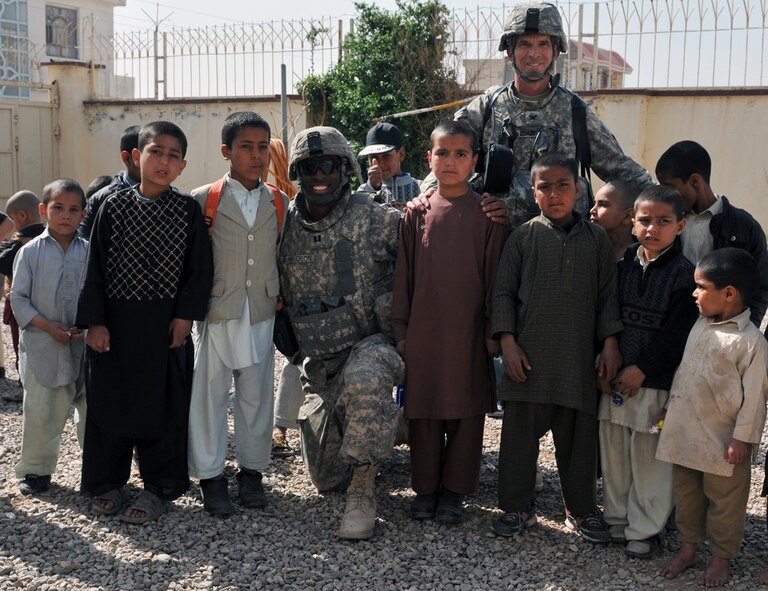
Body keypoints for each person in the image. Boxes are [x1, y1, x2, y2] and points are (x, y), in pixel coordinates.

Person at [76, 121, 213, 524]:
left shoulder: (187, 210)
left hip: (164, 325)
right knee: (109, 402)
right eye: (156, 152)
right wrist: (94, 322)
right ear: (137, 157)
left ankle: (158, 488)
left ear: (183, 165)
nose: (163, 162)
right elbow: (94, 267)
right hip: (115, 325)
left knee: (164, 405)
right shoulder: (112, 206)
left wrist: (184, 317)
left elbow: (198, 270)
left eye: (173, 155)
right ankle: (107, 483)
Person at [277, 126, 405, 540]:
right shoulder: (281, 227)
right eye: (310, 167)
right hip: (320, 367)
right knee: (326, 478)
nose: (320, 175)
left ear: (345, 169)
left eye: (329, 166)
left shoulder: (374, 218)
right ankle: (395, 424)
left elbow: (427, 246)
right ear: (297, 173)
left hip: (371, 348)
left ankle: (364, 487)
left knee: (365, 377)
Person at [490, 152, 622, 543]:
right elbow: (502, 294)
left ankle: (580, 510)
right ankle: (516, 507)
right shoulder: (523, 236)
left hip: (577, 360)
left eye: (563, 185)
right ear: (533, 193)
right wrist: (508, 343)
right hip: (528, 360)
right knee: (518, 441)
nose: (554, 194)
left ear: (578, 189)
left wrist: (610, 344)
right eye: (544, 187)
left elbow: (608, 297)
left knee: (579, 442)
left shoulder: (597, 240)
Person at [435, 2, 652, 229]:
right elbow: (445, 155)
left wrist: (668, 201)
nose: (533, 53)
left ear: (556, 52)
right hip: (495, 239)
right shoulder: (488, 106)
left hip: (561, 241)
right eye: (524, 44)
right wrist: (431, 196)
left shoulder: (575, 111)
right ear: (509, 51)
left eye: (543, 44)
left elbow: (621, 168)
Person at [392, 120, 506, 523]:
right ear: (429, 158)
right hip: (424, 330)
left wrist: (493, 331)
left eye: (460, 154)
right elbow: (404, 277)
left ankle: (455, 492)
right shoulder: (416, 212)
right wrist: (402, 331)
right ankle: (425, 490)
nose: (451, 161)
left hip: (469, 333)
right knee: (423, 411)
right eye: (442, 153)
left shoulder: (488, 214)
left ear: (475, 161)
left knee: (465, 410)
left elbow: (495, 279)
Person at [187, 111, 289, 515]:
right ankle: (210, 477)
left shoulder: (278, 201)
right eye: (246, 147)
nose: (256, 155)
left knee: (256, 396)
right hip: (218, 312)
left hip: (261, 310)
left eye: (262, 147)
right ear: (226, 151)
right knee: (209, 396)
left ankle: (252, 473)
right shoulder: (203, 199)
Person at [656, 248, 768, 587]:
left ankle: (721, 558)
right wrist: (669, 410)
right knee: (687, 496)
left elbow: (755, 399)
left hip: (723, 442)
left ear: (729, 293)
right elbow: (684, 373)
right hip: (686, 432)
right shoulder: (699, 325)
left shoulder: (751, 342)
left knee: (725, 503)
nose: (694, 293)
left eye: (701, 287)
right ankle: (688, 549)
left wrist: (742, 439)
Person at [598, 186, 698, 558]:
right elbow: (608, 312)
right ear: (632, 221)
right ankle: (617, 519)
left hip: (654, 384)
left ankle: (646, 528)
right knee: (614, 451)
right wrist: (607, 353)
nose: (652, 228)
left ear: (680, 226)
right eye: (645, 220)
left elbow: (676, 335)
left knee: (649, 457)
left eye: (663, 221)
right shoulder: (622, 264)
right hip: (616, 378)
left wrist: (643, 369)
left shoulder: (684, 276)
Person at [10, 179, 89, 495]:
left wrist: (89, 328)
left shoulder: (90, 251)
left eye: (73, 209)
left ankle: (97, 470)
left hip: (83, 344)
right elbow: (18, 299)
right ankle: (36, 470)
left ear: (83, 213)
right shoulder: (30, 252)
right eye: (58, 208)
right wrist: (47, 326)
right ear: (43, 210)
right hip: (44, 344)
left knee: (91, 409)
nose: (65, 215)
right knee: (42, 409)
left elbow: (99, 295)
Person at [655, 140, 768, 327]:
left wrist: (740, 332)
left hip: (719, 332)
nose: (667, 195)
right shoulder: (666, 221)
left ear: (694, 181)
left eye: (670, 187)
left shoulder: (744, 227)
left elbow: (759, 290)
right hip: (672, 328)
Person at [0, 191, 47, 398]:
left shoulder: (22, 242)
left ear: (22, 215)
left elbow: (3, 263)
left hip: (21, 305)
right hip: (45, 302)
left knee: (22, 346)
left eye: (12, 218)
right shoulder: (49, 236)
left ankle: (26, 389)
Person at [79, 125, 141, 238]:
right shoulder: (103, 199)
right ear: (127, 158)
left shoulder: (169, 198)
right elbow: (85, 241)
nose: (161, 162)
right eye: (151, 154)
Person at [358, 122, 421, 208]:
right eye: (374, 157)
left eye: (386, 156)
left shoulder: (421, 188)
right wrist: (372, 187)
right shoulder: (362, 192)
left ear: (401, 154)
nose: (380, 163)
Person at [589, 180, 640, 260]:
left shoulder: (645, 255)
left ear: (627, 216)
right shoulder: (585, 249)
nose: (592, 210)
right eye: (594, 203)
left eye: (603, 204)